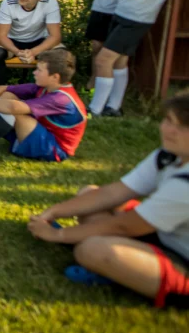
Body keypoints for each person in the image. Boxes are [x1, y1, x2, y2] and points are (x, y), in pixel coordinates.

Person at [27, 93, 189, 309]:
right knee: (89, 193)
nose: (169, 130)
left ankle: (121, 270)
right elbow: (113, 193)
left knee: (91, 250)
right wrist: (53, 213)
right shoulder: (168, 155)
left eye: (182, 127)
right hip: (163, 234)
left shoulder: (185, 185)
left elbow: (126, 226)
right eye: (168, 120)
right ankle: (124, 267)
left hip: (182, 262)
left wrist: (58, 235)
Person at [0, 49, 87, 162]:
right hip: (40, 132)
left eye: (39, 70)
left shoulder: (61, 99)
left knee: (12, 109)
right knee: (8, 96)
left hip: (53, 148)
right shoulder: (46, 86)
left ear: (55, 77)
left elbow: (14, 108)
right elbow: (3, 88)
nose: (34, 72)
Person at [0, 0, 62, 86]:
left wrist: (33, 52)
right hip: (14, 40)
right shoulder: (8, 3)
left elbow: (55, 36)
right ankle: (1, 90)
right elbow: (2, 36)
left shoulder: (50, 3)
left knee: (60, 54)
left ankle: (50, 91)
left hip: (39, 40)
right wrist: (18, 52)